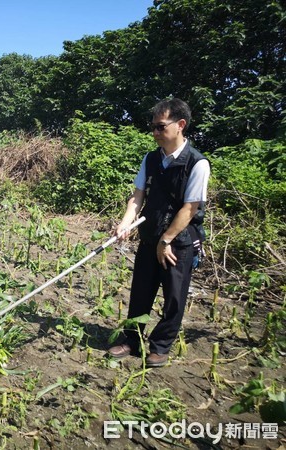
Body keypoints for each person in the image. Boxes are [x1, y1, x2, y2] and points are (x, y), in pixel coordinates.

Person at [108, 98, 211, 368]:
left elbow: (189, 209)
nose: (154, 132)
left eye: (160, 126)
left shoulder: (197, 163)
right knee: (140, 290)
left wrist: (166, 241)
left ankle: (160, 346)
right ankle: (131, 339)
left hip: (179, 240)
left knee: (174, 297)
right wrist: (125, 222)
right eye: (152, 127)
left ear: (180, 125)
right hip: (151, 234)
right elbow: (138, 196)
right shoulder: (151, 158)